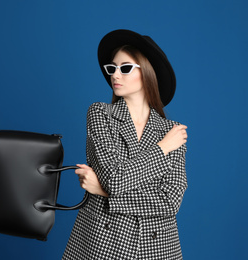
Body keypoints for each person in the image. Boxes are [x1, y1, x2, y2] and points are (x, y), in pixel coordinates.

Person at [62, 29, 188, 260]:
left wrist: (103, 191)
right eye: (112, 68)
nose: (115, 75)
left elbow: (170, 202)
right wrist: (162, 149)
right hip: (103, 243)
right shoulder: (100, 113)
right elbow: (116, 179)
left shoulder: (173, 132)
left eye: (125, 67)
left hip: (157, 248)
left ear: (148, 72)